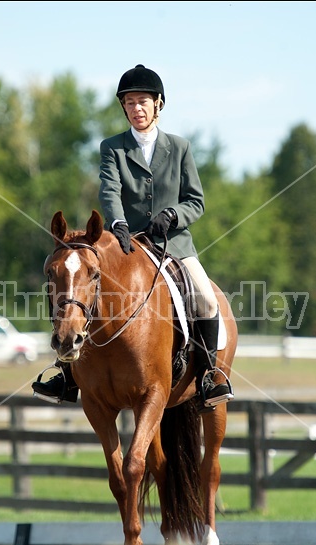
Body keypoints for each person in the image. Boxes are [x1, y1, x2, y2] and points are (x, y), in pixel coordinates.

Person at [32, 64, 233, 412]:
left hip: (174, 244)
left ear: (158, 105)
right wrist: (119, 221)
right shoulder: (112, 147)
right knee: (77, 292)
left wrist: (173, 216)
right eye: (129, 102)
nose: (136, 108)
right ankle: (66, 373)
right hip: (126, 243)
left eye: (143, 102)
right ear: (123, 107)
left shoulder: (181, 148)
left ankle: (209, 376)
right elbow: (109, 190)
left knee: (207, 300)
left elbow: (195, 201)